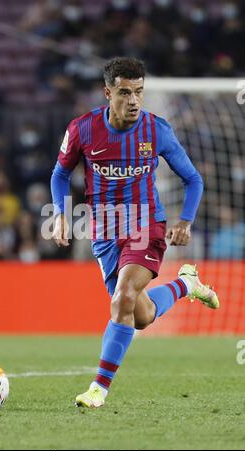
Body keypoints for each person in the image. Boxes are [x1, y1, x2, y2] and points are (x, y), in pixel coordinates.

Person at [50, 57, 219, 408]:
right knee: (139, 315)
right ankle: (187, 284)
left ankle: (98, 388)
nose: (133, 101)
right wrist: (60, 213)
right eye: (125, 93)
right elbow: (60, 173)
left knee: (124, 296)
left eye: (139, 92)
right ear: (107, 92)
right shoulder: (82, 129)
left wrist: (184, 221)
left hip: (147, 226)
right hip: (105, 232)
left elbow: (193, 179)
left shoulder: (156, 130)